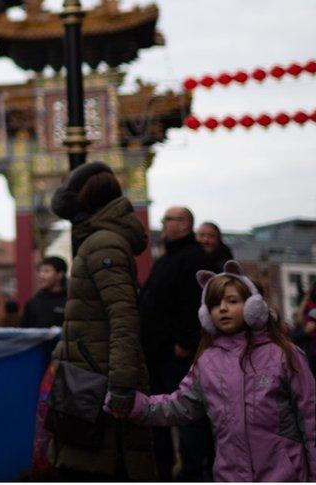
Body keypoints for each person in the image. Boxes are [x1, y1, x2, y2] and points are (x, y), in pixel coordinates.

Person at [108, 261, 316, 481]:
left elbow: (310, 416)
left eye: (232, 301)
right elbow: (179, 406)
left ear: (254, 306)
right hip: (230, 476)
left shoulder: (283, 355)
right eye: (215, 304)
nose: (222, 308)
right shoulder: (207, 363)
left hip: (284, 476)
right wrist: (134, 405)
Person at [49, 161, 156, 480]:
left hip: (97, 382)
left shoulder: (103, 243)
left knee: (101, 467)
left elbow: (123, 315)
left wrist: (122, 383)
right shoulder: (99, 239)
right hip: (90, 376)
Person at [138, 206, 214, 480]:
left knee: (187, 416)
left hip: (176, 354)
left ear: (184, 224)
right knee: (157, 415)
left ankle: (191, 474)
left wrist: (184, 344)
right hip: (157, 353)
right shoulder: (166, 258)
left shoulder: (193, 258)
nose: (164, 224)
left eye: (169, 219)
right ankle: (165, 471)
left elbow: (194, 305)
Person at [21, 256, 68, 328]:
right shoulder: (33, 303)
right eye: (40, 271)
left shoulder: (70, 302)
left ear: (60, 274)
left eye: (46, 271)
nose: (41, 275)